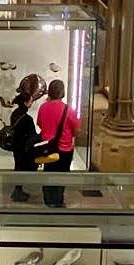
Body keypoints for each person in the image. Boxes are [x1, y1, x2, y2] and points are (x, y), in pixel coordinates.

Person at [34, 79, 82, 207]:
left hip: (48, 147)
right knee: (61, 175)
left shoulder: (43, 107)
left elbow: (40, 124)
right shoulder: (68, 110)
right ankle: (58, 201)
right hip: (64, 149)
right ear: (63, 92)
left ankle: (48, 200)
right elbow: (77, 129)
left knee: (48, 172)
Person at [5, 75, 43, 202]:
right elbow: (32, 136)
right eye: (31, 101)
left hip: (17, 147)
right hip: (24, 149)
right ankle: (17, 192)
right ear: (26, 102)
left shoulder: (15, 114)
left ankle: (18, 191)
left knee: (18, 167)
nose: (32, 103)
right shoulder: (27, 119)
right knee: (23, 169)